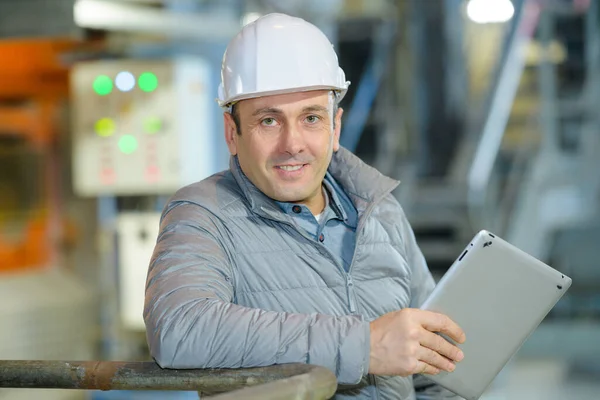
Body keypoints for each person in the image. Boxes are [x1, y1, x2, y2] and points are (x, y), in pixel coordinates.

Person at [144, 13, 466, 400]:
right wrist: (364, 346)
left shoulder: (381, 211)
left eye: (311, 117)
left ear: (336, 128)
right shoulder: (203, 214)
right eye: (268, 121)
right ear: (233, 132)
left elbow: (435, 364)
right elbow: (181, 330)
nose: (292, 143)